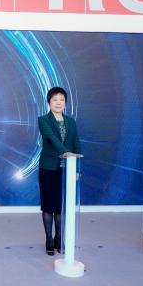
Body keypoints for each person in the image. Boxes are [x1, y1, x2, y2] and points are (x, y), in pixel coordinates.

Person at [37, 87, 81, 256]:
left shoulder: (71, 122)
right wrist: (65, 152)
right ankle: (49, 239)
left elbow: (76, 144)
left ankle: (59, 238)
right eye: (55, 99)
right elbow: (52, 138)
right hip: (48, 167)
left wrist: (76, 167)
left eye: (61, 99)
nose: (58, 102)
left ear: (65, 103)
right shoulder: (43, 120)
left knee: (61, 206)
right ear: (49, 102)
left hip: (66, 170)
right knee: (49, 205)